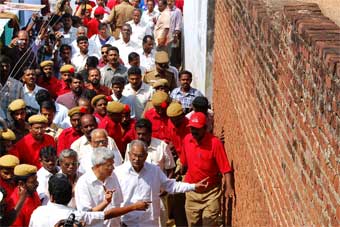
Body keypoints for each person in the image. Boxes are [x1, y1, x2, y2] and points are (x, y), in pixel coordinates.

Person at [115, 139, 209, 226]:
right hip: (127, 222)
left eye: (140, 156)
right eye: (134, 155)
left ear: (146, 156)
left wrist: (193, 186)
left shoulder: (154, 171)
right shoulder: (119, 173)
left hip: (149, 222)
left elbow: (171, 186)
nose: (137, 159)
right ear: (129, 154)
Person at [29, 173, 149, 227]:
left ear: (51, 196)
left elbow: (94, 214)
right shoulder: (75, 215)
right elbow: (107, 215)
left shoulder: (37, 212)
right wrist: (134, 207)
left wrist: (105, 202)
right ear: (71, 196)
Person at [181, 112, 234, 226]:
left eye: (197, 129)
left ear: (205, 128)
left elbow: (225, 168)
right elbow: (184, 162)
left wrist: (229, 187)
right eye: (191, 128)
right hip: (192, 192)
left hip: (211, 193)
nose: (193, 131)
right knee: (193, 224)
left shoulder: (215, 143)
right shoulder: (186, 140)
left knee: (210, 223)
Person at [75, 147, 123, 226]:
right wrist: (106, 202)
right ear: (98, 166)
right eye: (109, 165)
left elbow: (118, 203)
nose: (113, 168)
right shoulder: (83, 183)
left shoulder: (113, 176)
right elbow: (87, 215)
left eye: (113, 164)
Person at [0, 55, 24, 121]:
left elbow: (21, 105)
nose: (5, 68)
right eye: (2, 66)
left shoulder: (18, 85)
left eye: (7, 66)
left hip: (12, 123)